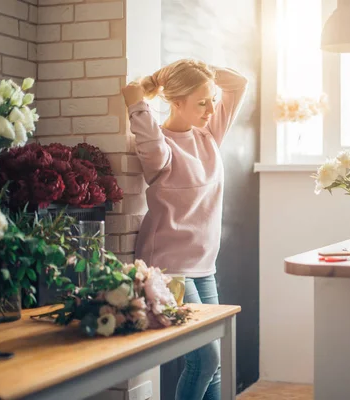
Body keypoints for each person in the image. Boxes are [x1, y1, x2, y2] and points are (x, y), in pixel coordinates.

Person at [121, 59, 248, 400]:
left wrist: (202, 69)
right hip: (168, 268)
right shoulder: (159, 148)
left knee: (215, 361)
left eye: (211, 100)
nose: (210, 109)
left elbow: (238, 82)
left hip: (204, 265)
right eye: (201, 102)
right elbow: (133, 95)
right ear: (176, 102)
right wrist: (153, 84)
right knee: (204, 359)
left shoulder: (209, 135)